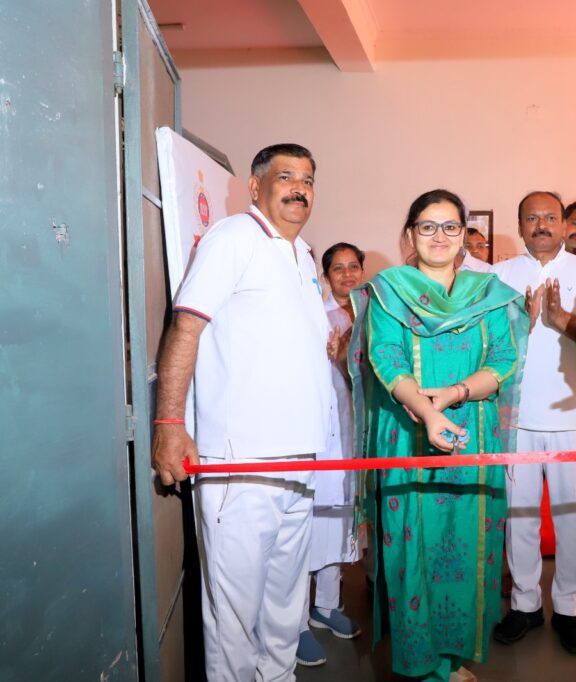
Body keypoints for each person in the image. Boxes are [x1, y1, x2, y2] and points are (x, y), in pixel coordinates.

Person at [152, 143, 332, 681]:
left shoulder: (304, 255)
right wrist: (169, 424)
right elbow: (186, 326)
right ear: (255, 187)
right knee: (233, 615)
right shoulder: (233, 237)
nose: (299, 188)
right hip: (242, 463)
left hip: (302, 460)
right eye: (286, 176)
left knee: (285, 603)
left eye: (307, 179)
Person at [348, 189, 528, 682]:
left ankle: (449, 660)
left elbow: (503, 360)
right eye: (427, 226)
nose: (439, 236)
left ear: (465, 235)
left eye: (450, 226)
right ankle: (422, 668)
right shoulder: (388, 291)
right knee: (414, 551)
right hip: (408, 433)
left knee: (467, 545)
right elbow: (387, 358)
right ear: (410, 234)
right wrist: (428, 412)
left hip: (473, 432)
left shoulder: (489, 293)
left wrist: (454, 393)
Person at [491, 192, 576, 654]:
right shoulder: (499, 276)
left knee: (572, 517)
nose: (541, 225)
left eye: (550, 217)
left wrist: (561, 319)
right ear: (519, 226)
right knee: (520, 514)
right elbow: (488, 345)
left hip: (571, 412)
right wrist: (521, 320)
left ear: (564, 223)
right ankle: (525, 603)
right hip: (514, 417)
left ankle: (570, 609)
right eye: (531, 218)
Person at [295, 243, 366, 667]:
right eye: (337, 268)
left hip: (356, 435)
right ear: (325, 277)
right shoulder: (314, 316)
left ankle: (325, 604)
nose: (347, 274)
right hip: (321, 435)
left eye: (353, 266)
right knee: (308, 526)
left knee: (342, 524)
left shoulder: (372, 316)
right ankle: (296, 621)